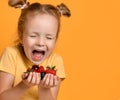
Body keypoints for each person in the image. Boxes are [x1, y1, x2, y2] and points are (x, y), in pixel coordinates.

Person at [0, 0, 71, 100]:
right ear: (21, 36)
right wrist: (24, 85)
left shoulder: (56, 61)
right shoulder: (11, 54)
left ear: (55, 40)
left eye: (49, 38)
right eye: (33, 36)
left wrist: (44, 88)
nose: (41, 43)